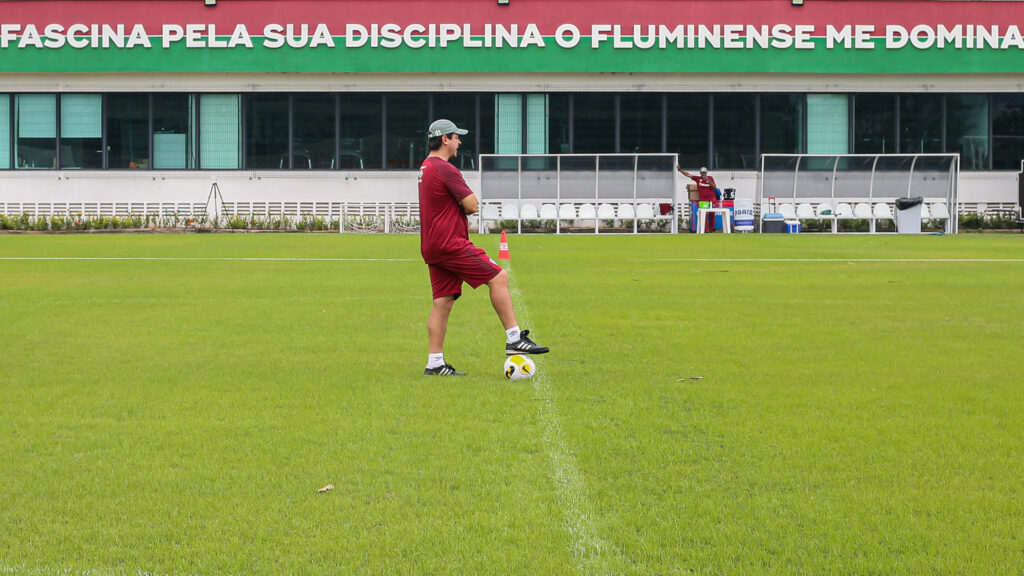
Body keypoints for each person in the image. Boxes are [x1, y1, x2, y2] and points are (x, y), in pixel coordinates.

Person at [418, 119, 549, 376]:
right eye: (457, 137)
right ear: (445, 139)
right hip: (450, 242)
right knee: (499, 276)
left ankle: (434, 363)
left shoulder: (425, 166)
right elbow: (472, 205)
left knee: (442, 301)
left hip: (432, 244)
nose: (460, 142)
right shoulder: (445, 168)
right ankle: (514, 338)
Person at [677, 165, 719, 232]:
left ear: (706, 173)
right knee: (704, 214)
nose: (703, 174)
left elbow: (714, 187)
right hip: (703, 199)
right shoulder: (697, 178)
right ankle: (705, 230)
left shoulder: (710, 178)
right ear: (700, 173)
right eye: (702, 172)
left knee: (712, 213)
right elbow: (688, 175)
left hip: (712, 198)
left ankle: (711, 229)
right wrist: (680, 170)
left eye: (704, 172)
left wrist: (707, 179)